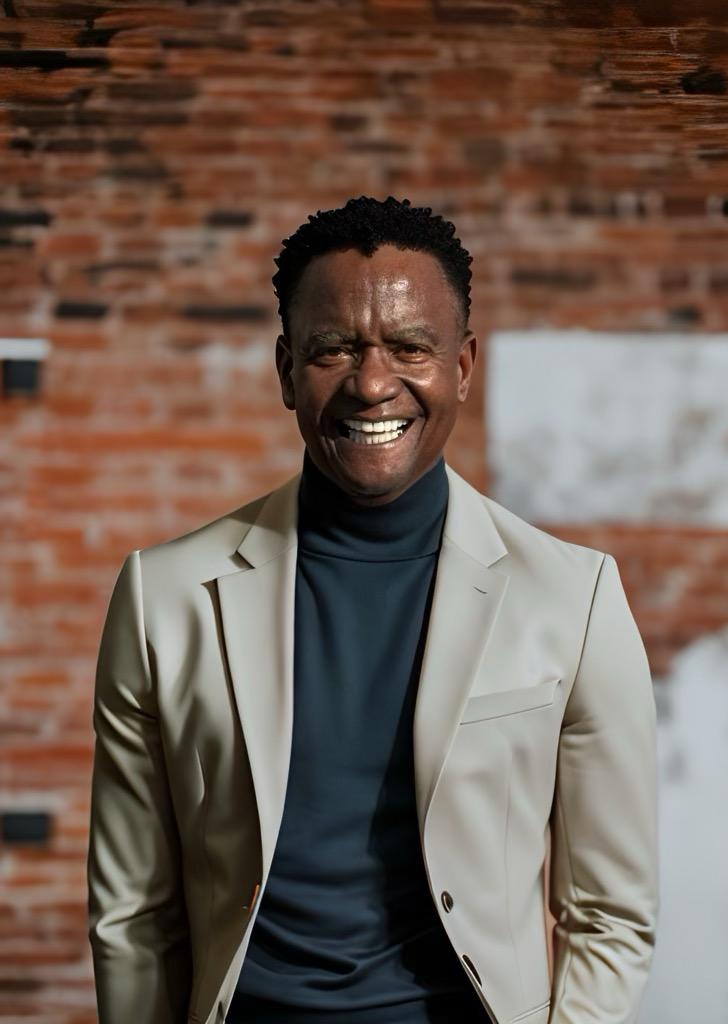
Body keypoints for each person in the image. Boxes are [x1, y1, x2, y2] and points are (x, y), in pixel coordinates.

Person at [86, 196, 659, 1024]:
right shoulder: (163, 597)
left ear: (462, 366)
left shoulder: (574, 597)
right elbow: (133, 916)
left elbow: (611, 914)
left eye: (408, 347)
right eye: (334, 350)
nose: (372, 383)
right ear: (286, 369)